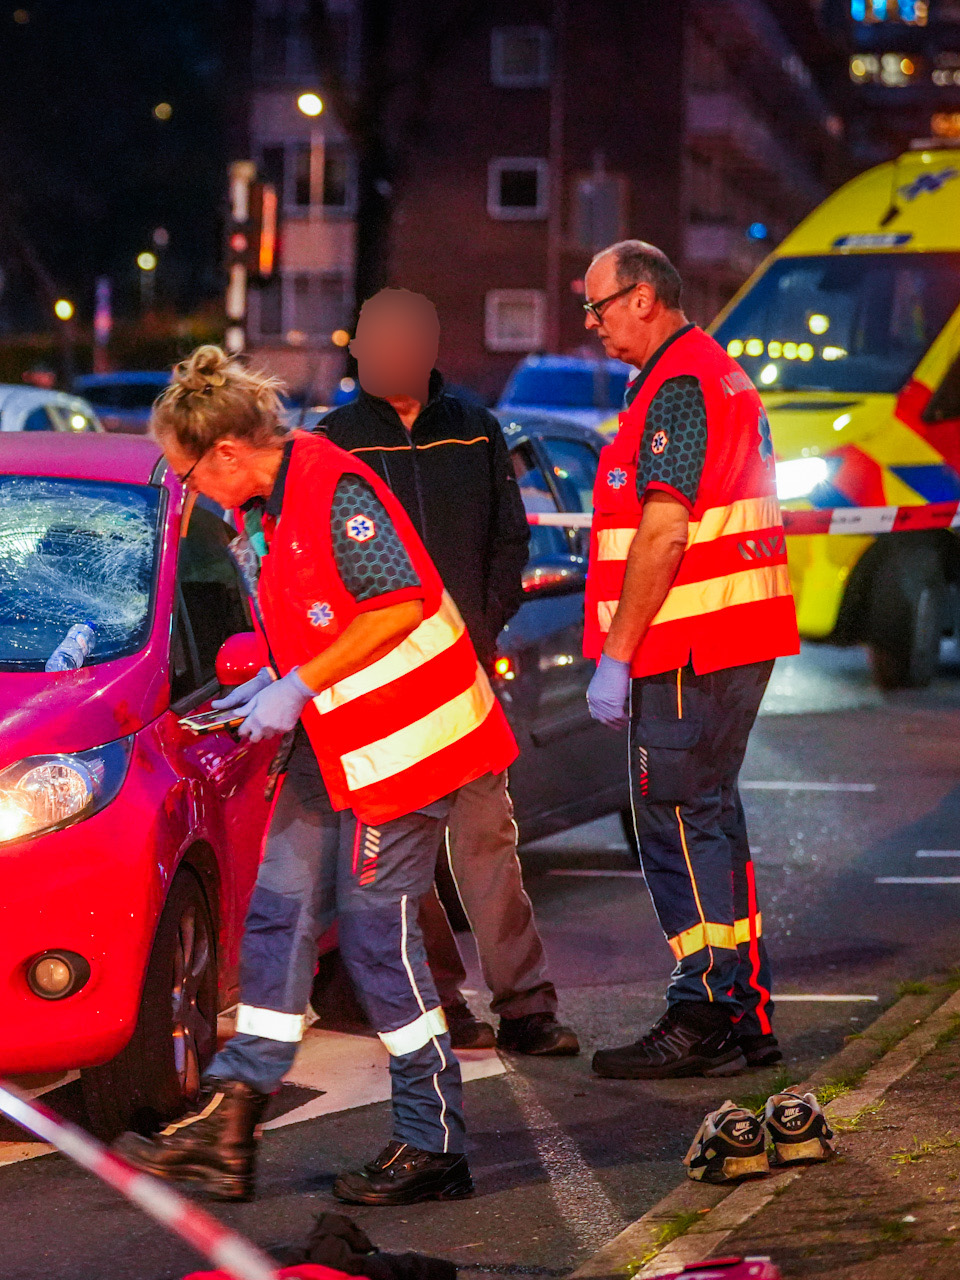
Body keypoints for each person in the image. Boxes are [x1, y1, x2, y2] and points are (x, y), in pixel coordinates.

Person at [114, 345, 518, 1206]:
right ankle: (233, 1120)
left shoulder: (330, 489)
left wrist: (296, 686)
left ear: (226, 453)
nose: (186, 493)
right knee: (279, 912)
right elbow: (318, 619)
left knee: (378, 941)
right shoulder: (267, 507)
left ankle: (432, 1139)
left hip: (407, 749)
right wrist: (274, 678)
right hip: (341, 745)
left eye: (187, 474)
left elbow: (400, 602)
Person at [320, 289, 577, 1058]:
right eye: (379, 341)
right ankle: (441, 1001)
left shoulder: (476, 431)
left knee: (486, 846)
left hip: (462, 682)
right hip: (379, 690)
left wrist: (482, 628)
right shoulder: (332, 445)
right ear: (359, 350)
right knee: (406, 862)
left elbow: (511, 542)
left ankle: (527, 1006)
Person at [578, 241, 798, 1079]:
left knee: (676, 821)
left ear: (642, 298)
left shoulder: (679, 385)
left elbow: (666, 528)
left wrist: (618, 657)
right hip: (726, 640)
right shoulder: (713, 373)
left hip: (686, 647)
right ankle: (746, 1015)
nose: (592, 325)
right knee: (713, 818)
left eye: (597, 307)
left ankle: (702, 1008)